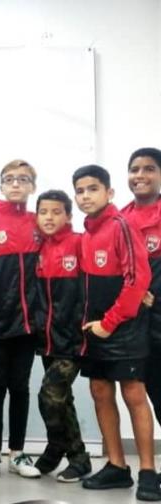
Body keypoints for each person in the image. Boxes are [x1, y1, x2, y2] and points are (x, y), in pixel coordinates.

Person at [73, 165, 160, 500]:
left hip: (122, 328)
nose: (85, 196)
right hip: (95, 327)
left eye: (92, 189)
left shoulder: (121, 225)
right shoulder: (87, 232)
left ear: (109, 193)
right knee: (99, 391)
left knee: (134, 394)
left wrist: (110, 324)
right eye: (80, 190)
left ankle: (148, 472)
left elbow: (137, 280)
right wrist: (95, 326)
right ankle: (116, 466)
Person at [0, 160, 41, 478]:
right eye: (10, 179)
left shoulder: (39, 221)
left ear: (32, 187)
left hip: (27, 325)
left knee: (21, 387)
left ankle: (18, 452)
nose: (16, 184)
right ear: (0, 186)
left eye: (23, 179)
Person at [31, 190, 91, 482]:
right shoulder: (38, 247)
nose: (49, 217)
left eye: (56, 212)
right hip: (47, 339)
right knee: (62, 399)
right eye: (44, 212)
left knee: (50, 396)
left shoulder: (80, 242)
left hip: (74, 339)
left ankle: (65, 452)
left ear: (68, 215)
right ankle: (70, 455)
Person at [119, 147, 161, 428]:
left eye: (148, 169)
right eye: (134, 169)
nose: (140, 175)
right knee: (151, 393)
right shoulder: (120, 219)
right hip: (135, 326)